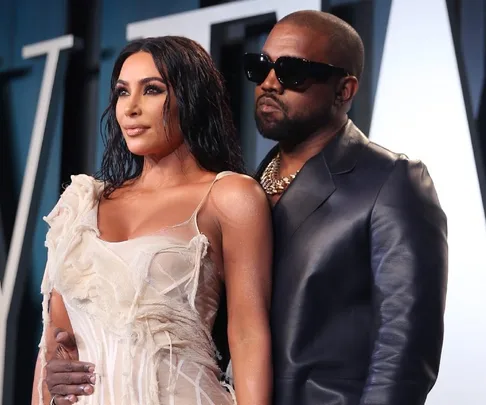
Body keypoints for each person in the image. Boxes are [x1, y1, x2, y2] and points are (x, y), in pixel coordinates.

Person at [31, 36, 273, 405]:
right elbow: (56, 344)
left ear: (191, 98)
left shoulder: (230, 197)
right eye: (123, 92)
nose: (131, 108)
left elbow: (248, 335)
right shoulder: (79, 205)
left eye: (153, 90)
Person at [243, 10, 448, 405]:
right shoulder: (244, 188)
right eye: (261, 67)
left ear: (345, 90)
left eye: (291, 71)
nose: (269, 83)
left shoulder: (394, 181)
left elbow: (404, 349)